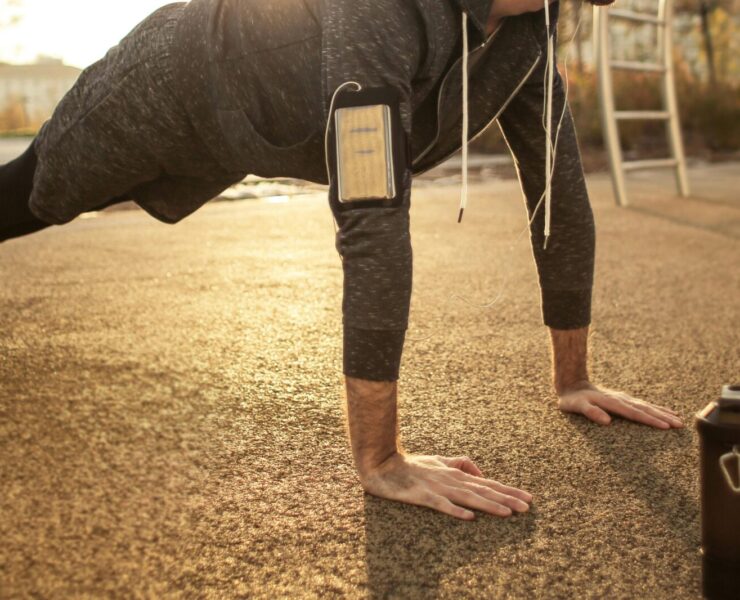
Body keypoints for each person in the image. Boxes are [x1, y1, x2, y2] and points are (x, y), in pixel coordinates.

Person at [0, 0, 683, 520]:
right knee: (34, 197)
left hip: (246, 135)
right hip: (169, 81)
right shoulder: (379, 12)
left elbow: (557, 192)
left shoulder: (530, 33)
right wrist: (380, 458)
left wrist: (575, 379)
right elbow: (373, 209)